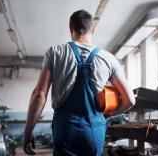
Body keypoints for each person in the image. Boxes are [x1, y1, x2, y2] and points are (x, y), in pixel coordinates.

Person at [23, 9, 135, 156]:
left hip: (65, 128)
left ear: (71, 29)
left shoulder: (55, 52)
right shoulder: (108, 58)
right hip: (94, 129)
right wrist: (107, 115)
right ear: (93, 30)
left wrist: (28, 131)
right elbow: (130, 100)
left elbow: (39, 95)